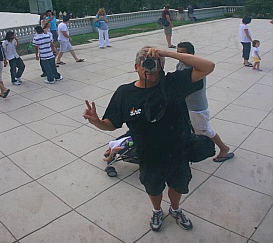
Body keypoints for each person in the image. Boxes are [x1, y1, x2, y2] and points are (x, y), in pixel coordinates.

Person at [83, 45, 215, 232]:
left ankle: (176, 209)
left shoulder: (173, 83)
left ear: (161, 67)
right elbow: (111, 124)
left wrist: (166, 53)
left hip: (177, 152)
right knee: (153, 188)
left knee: (178, 184)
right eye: (145, 64)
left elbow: (208, 66)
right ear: (136, 67)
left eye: (155, 64)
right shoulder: (124, 93)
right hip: (148, 155)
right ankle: (156, 210)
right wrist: (96, 121)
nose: (150, 68)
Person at [176, 41, 234, 163]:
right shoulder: (180, 65)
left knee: (205, 131)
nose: (179, 56)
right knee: (191, 129)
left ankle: (224, 149)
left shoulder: (197, 68)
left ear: (190, 54)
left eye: (182, 53)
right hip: (185, 105)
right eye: (177, 53)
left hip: (197, 107)